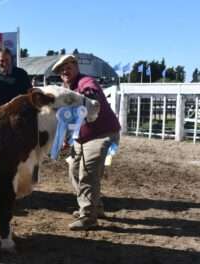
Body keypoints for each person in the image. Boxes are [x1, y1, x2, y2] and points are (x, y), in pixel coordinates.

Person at [51, 54, 121, 230]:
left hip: (101, 133)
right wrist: (66, 138)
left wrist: (86, 95)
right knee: (74, 169)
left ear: (76, 67)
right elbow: (66, 119)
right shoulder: (66, 89)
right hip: (83, 136)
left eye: (68, 67)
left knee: (87, 172)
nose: (65, 71)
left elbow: (91, 91)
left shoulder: (85, 81)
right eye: (62, 70)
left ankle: (88, 216)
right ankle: (94, 206)